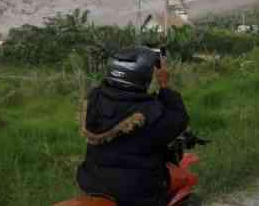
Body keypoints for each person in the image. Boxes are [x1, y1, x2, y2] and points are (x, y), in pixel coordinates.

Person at [76, 46, 190, 206]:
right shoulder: (149, 112)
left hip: (93, 182)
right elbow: (179, 120)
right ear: (142, 78)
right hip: (136, 192)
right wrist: (165, 86)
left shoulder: (94, 97)